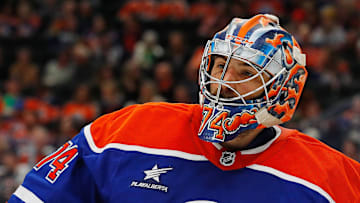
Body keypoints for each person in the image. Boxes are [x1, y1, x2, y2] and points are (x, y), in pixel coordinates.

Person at [9, 14, 360, 203]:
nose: (224, 82)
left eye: (246, 72)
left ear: (284, 91)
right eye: (220, 66)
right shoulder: (127, 131)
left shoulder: (331, 178)